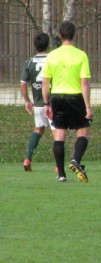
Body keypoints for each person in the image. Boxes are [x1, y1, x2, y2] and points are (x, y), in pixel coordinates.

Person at [41, 21, 93, 183]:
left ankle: (61, 175)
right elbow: (84, 83)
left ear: (59, 36)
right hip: (75, 96)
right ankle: (76, 160)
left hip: (56, 96)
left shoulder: (52, 56)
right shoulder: (81, 55)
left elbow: (45, 83)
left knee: (59, 134)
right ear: (74, 35)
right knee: (83, 132)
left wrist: (46, 103)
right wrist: (88, 106)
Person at [20, 33, 51, 172]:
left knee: (38, 129)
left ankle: (27, 159)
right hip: (52, 102)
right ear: (48, 44)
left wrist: (27, 101)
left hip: (38, 103)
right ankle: (58, 167)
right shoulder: (53, 59)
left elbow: (23, 84)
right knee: (58, 132)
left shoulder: (29, 62)